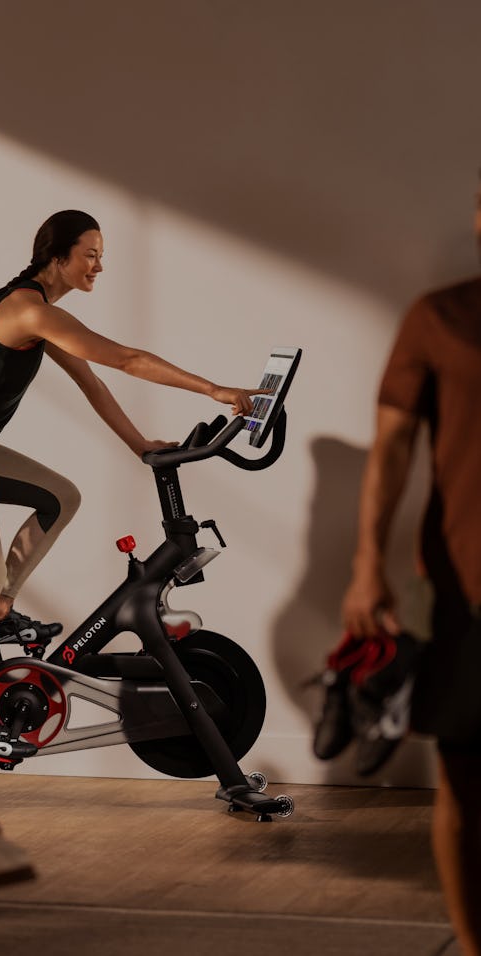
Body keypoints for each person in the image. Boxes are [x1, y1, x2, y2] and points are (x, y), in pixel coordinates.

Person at [0, 209, 265, 760]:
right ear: (58, 256)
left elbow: (94, 384)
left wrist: (141, 444)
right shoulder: (26, 309)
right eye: (90, 254)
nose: (99, 265)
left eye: (101, 254)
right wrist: (213, 390)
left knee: (60, 497)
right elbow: (126, 359)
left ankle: (1, 604)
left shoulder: (44, 316)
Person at [341, 184, 481, 953]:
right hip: (465, 588)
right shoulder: (440, 318)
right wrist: (368, 565)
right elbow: (389, 449)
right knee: (464, 782)